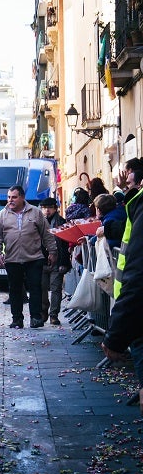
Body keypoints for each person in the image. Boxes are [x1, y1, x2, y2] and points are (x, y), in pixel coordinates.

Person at [101, 160, 143, 412]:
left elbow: (137, 275)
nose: (127, 187)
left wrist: (115, 336)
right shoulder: (134, 206)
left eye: (129, 183)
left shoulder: (138, 206)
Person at [0, 185, 57, 329]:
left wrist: (52, 251)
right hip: (12, 259)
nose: (10, 200)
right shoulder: (2, 215)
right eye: (9, 197)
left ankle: (35, 318)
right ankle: (17, 319)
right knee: (15, 290)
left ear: (22, 197)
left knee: (35, 288)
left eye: (14, 197)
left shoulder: (35, 213)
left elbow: (47, 233)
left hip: (34, 258)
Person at [38, 197, 71, 325]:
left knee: (56, 289)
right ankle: (43, 311)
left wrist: (64, 262)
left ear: (55, 209)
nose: (47, 211)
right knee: (41, 288)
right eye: (44, 208)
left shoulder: (61, 222)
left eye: (50, 208)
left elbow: (64, 245)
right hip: (41, 260)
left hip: (57, 260)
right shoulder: (38, 222)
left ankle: (54, 315)